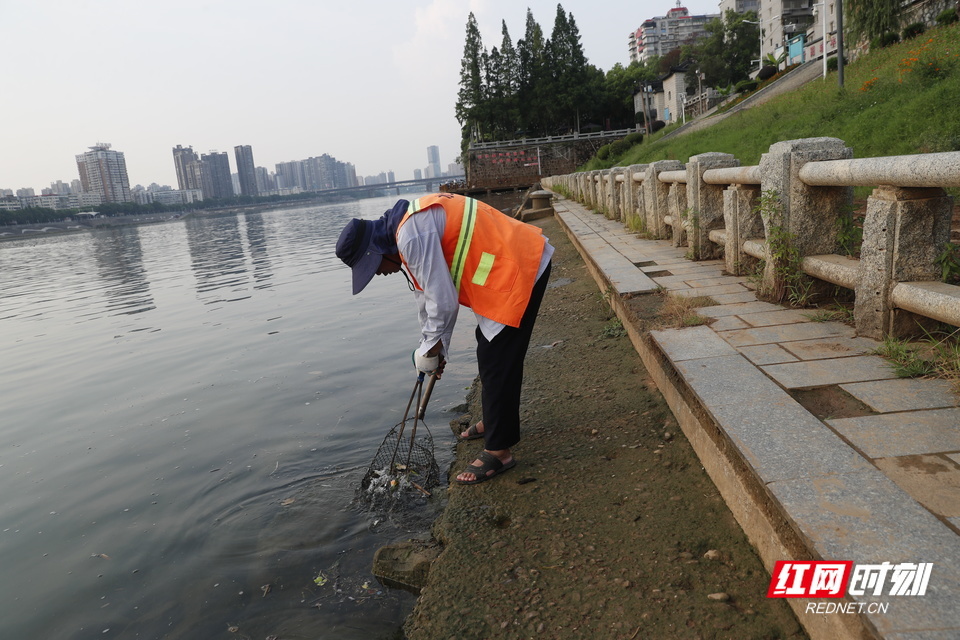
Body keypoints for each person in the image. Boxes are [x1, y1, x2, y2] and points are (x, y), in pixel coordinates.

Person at [335, 193, 553, 484]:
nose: (379, 274)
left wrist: (434, 346)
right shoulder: (405, 230)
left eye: (373, 268)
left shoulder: (410, 235)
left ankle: (499, 451)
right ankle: (494, 421)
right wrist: (432, 349)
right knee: (490, 348)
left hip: (520, 265)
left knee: (497, 358)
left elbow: (443, 301)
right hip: (507, 267)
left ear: (377, 251)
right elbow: (425, 298)